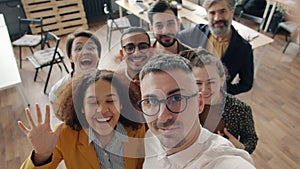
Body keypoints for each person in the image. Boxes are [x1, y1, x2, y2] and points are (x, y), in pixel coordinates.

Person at [138, 54, 256, 168]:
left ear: (199, 103)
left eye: (177, 98)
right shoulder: (151, 139)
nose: (162, 117)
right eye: (151, 101)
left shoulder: (225, 163)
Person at [18, 70, 146, 169]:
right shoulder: (64, 135)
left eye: (110, 100)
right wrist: (41, 155)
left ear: (121, 104)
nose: (102, 110)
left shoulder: (137, 129)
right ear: (82, 108)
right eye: (93, 102)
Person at [180, 48, 258, 154]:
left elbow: (251, 139)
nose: (204, 89)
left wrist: (240, 147)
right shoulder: (184, 103)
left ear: (222, 80)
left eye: (211, 82)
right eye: (198, 83)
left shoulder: (240, 109)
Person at [177, 0, 254, 95]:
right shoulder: (196, 32)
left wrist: (222, 90)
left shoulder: (244, 49)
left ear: (232, 12)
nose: (217, 18)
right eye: (212, 13)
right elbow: (174, 41)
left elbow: (246, 84)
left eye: (222, 11)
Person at [49, 29, 101, 120]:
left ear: (98, 56)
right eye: (79, 48)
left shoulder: (112, 83)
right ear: (70, 57)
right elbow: (63, 119)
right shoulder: (57, 92)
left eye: (91, 47)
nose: (85, 52)